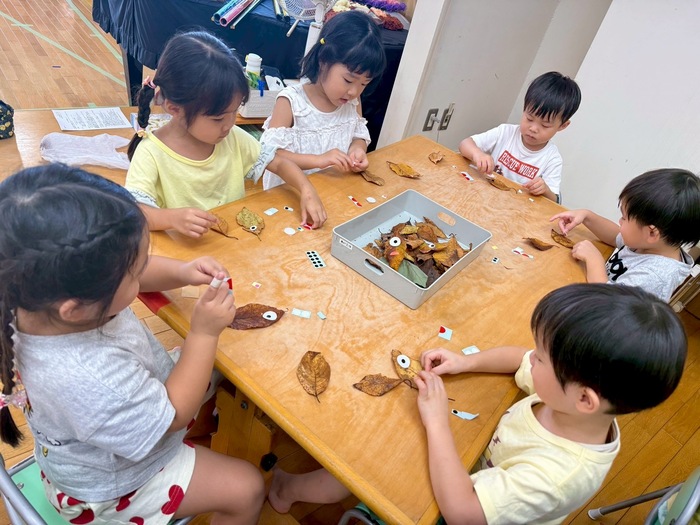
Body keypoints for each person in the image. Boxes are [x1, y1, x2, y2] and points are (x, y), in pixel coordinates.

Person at [267, 284, 687, 525]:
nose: (531, 359)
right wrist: (464, 362)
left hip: (469, 512)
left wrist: (437, 423)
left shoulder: (558, 475)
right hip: (475, 469)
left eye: (542, 358)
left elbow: (463, 512)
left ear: (584, 398)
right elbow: (516, 358)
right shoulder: (574, 402)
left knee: (372, 462)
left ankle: (288, 491)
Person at [0, 165, 264, 524]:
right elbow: (174, 415)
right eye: (136, 272)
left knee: (224, 369)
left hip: (89, 447)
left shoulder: (32, 294)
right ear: (77, 309)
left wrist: (182, 271)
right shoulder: (90, 378)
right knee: (247, 487)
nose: (142, 273)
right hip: (114, 488)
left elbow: (127, 271)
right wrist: (202, 334)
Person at [125, 31, 326, 237]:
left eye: (234, 111)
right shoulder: (150, 153)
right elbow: (135, 214)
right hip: (183, 253)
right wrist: (171, 218)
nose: (230, 124)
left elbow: (279, 163)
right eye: (218, 118)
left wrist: (306, 189)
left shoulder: (232, 137)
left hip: (232, 242)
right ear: (174, 108)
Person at [259, 10, 386, 190]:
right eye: (348, 80)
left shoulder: (352, 101)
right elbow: (269, 155)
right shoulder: (291, 102)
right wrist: (319, 160)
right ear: (323, 60)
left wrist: (357, 150)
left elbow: (358, 136)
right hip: (291, 194)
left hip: (332, 191)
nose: (354, 91)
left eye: (364, 84)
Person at [550, 168, 700, 301]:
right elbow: (615, 236)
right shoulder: (650, 243)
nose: (620, 222)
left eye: (624, 217)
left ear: (652, 233)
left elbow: (608, 302)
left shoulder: (655, 276)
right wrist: (587, 216)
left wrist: (594, 261)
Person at [459, 71, 581, 202]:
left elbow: (553, 201)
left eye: (545, 125)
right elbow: (465, 144)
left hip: (516, 207)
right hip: (484, 196)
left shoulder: (552, 158)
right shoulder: (505, 132)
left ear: (562, 126)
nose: (533, 128)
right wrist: (477, 154)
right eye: (529, 119)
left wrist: (545, 190)